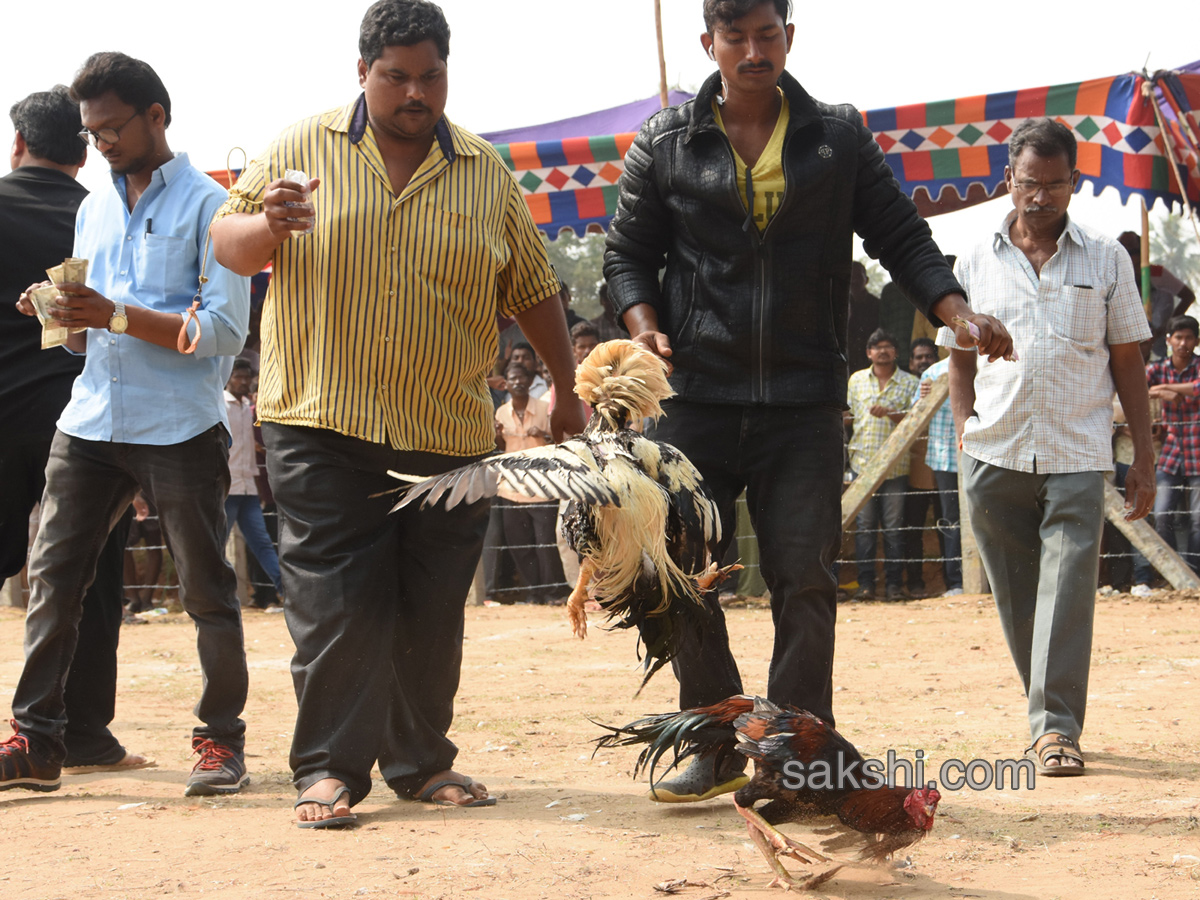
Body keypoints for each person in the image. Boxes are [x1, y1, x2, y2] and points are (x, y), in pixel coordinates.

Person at [603, 0, 1011, 802]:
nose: (753, 51)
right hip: (697, 397)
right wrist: (645, 327)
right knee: (681, 573)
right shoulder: (666, 141)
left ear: (791, 36)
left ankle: (793, 760)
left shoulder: (838, 136)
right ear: (708, 44)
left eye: (768, 35)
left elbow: (901, 236)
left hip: (803, 397)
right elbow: (627, 255)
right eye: (736, 37)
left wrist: (955, 311)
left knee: (805, 577)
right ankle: (714, 739)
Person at [209, 0, 585, 827]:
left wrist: (568, 389)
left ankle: (421, 763)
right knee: (337, 603)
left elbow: (533, 290)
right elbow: (226, 241)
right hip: (320, 419)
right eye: (396, 77)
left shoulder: (486, 172)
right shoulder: (300, 148)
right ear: (361, 72)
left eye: (430, 76)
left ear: (448, 73)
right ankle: (329, 770)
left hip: (445, 433)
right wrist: (265, 223)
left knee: (429, 606)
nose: (415, 92)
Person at [0, 53, 251, 795]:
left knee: (206, 591)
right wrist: (60, 316)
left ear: (156, 117)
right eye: (90, 130)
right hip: (90, 418)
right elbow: (87, 327)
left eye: (111, 127)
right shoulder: (93, 205)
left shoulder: (213, 208)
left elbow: (222, 331)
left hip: (177, 425)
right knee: (52, 581)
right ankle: (37, 742)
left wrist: (111, 314)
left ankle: (220, 743)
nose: (100, 142)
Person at [946, 117, 1153, 775]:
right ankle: (1046, 712)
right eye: (1027, 184)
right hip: (995, 452)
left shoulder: (1107, 257)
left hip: (1078, 453)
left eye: (1053, 186)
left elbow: (1127, 361)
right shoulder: (975, 259)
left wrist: (1142, 454)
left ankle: (1055, 728)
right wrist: (962, 431)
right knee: (1016, 596)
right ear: (1008, 180)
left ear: (1075, 182)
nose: (1039, 198)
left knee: (1067, 591)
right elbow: (957, 360)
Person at [0, 85, 151, 775]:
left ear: (19, 144)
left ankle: (32, 738)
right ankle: (85, 734)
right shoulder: (102, 216)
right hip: (89, 423)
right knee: (90, 578)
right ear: (85, 146)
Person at [846, 330, 918, 601]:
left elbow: (915, 421)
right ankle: (866, 586)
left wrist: (890, 413)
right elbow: (849, 417)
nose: (883, 351)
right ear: (868, 353)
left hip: (894, 468)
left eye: (888, 347)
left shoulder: (910, 383)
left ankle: (893, 586)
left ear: (896, 353)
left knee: (893, 528)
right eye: (877, 347)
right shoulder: (856, 381)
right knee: (864, 529)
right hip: (862, 465)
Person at [494, 362, 565, 604]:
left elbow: (559, 445)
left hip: (541, 487)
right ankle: (534, 593)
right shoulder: (501, 412)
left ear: (528, 381)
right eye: (512, 379)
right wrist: (496, 435)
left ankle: (553, 592)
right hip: (511, 489)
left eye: (522, 378)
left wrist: (543, 436)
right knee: (520, 547)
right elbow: (501, 449)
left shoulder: (545, 408)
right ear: (506, 384)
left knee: (546, 545)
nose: (517, 383)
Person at [223, 358, 283, 598]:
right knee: (217, 545)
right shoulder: (220, 404)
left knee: (263, 543)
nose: (243, 381)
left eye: (247, 377)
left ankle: (286, 592)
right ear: (228, 378)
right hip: (227, 488)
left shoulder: (250, 407)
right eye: (238, 376)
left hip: (248, 487)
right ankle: (214, 594)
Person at [1145, 315, 1200, 573]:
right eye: (1178, 337)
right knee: (1162, 514)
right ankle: (1172, 572)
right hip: (1171, 453)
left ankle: (1193, 575)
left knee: (1199, 521)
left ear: (1196, 340)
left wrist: (1164, 386)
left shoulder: (1197, 367)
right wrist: (1158, 391)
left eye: (1188, 337)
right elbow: (1130, 387)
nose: (1183, 342)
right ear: (1168, 340)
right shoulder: (1157, 368)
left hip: (1198, 453)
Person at [918, 355, 963, 596]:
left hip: (979, 455)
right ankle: (955, 582)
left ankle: (982, 581)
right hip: (945, 459)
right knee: (951, 520)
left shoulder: (987, 365)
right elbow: (916, 415)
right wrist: (925, 398)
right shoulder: (932, 374)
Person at [1117, 231, 1195, 361]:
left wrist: (1167, 326)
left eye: (1133, 251)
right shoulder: (1117, 277)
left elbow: (1188, 296)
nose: (1130, 257)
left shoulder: (1158, 273)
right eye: (1125, 252)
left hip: (1157, 342)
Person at [902, 337, 940, 596]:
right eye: (919, 357)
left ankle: (954, 582)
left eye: (928, 356)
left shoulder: (945, 379)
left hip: (944, 467)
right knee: (912, 529)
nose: (924, 361)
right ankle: (914, 583)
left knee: (947, 525)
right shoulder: (906, 386)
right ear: (911, 362)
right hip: (913, 469)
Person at [845, 260, 879, 375]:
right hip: (848, 357)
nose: (854, 281)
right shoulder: (842, 304)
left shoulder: (876, 304)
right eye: (850, 277)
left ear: (866, 280)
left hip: (869, 358)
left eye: (858, 276)